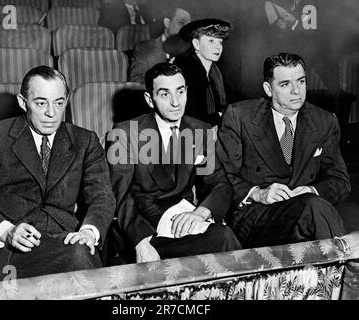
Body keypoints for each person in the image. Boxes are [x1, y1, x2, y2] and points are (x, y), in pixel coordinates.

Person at [0, 66, 115, 283]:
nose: (51, 113)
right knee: (81, 259)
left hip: (67, 240)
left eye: (59, 103)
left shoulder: (85, 140)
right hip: (11, 250)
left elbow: (102, 195)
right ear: (22, 102)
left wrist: (89, 232)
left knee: (81, 253)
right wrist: (6, 231)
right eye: (41, 103)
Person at [107, 62, 241, 263]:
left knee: (224, 236)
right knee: (222, 240)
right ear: (149, 99)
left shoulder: (199, 131)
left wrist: (201, 212)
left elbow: (219, 184)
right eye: (164, 94)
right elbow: (120, 196)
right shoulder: (124, 133)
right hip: (143, 227)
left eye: (180, 92)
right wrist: (141, 242)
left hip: (186, 219)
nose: (176, 102)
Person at [216, 52, 350, 248]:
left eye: (301, 81)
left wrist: (312, 189)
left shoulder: (323, 120)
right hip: (256, 215)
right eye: (285, 84)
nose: (297, 91)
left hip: (306, 212)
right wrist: (257, 193)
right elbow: (220, 176)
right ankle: (345, 268)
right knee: (314, 208)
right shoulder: (240, 116)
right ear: (268, 89)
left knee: (313, 205)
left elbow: (340, 180)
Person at [175, 18, 232, 127]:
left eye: (220, 42)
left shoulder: (215, 71)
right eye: (211, 41)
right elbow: (189, 115)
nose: (218, 47)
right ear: (196, 44)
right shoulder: (185, 72)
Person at [129, 6, 191, 84]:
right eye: (181, 23)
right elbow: (136, 82)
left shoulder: (192, 52)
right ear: (167, 23)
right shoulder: (143, 49)